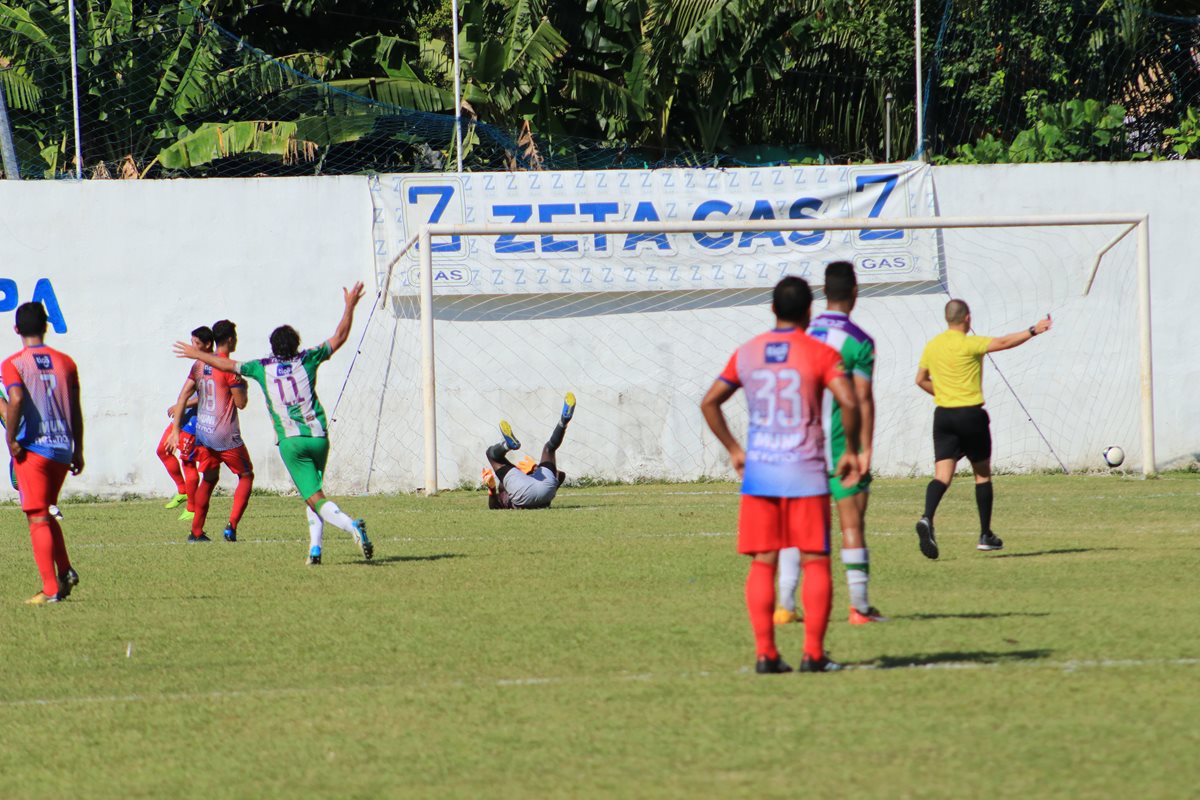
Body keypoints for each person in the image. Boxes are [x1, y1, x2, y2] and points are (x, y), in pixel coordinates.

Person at [701, 276, 861, 674]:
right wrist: (852, 449)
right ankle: (813, 654)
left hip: (761, 474)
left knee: (763, 562)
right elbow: (848, 399)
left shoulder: (748, 352)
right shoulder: (820, 352)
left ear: (772, 309)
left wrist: (736, 450)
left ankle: (766, 654)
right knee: (815, 561)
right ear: (810, 312)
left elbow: (709, 403)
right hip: (805, 472)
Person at [173, 283, 372, 565]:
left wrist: (198, 355)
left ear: (272, 347)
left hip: (291, 443)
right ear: (296, 344)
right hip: (318, 437)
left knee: (313, 496)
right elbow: (339, 337)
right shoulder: (309, 358)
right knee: (313, 491)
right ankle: (315, 551)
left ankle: (352, 526)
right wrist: (349, 306)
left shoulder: (260, 366)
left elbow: (228, 366)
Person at [777, 261, 885, 626]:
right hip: (842, 446)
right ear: (856, 292)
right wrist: (864, 448)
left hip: (801, 446)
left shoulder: (800, 336)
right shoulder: (859, 340)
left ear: (823, 293)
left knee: (796, 528)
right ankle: (860, 608)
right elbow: (862, 398)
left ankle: (786, 606)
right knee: (852, 525)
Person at [914, 299, 1053, 558]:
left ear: (947, 318)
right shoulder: (970, 343)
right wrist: (1033, 330)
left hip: (943, 415)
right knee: (982, 475)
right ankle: (985, 534)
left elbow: (920, 380)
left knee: (942, 476)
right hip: (970, 414)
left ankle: (927, 518)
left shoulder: (933, 345)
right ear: (967, 318)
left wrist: (943, 391)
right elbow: (1003, 343)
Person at [2, 302, 84, 604]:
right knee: (45, 511)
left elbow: (17, 397)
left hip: (33, 448)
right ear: (45, 327)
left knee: (36, 517)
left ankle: (50, 589)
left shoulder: (14, 363)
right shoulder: (66, 362)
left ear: (17, 330)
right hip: (62, 448)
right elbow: (75, 409)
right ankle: (65, 571)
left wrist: (11, 438)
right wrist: (79, 449)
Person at [168, 320, 254, 543]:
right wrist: (243, 386)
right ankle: (231, 526)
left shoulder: (198, 365)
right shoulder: (230, 368)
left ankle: (196, 532)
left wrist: (175, 429)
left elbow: (183, 396)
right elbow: (241, 403)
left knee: (208, 478)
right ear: (230, 339)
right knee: (245, 475)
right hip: (225, 435)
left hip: (203, 433)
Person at [155, 326, 213, 521]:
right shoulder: (198, 363)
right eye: (192, 341)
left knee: (187, 462)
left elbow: (207, 394)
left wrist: (183, 403)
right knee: (162, 450)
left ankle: (192, 508)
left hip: (194, 421)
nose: (192, 346)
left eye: (196, 343)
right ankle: (182, 491)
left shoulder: (211, 365)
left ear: (207, 344)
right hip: (184, 415)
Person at [483, 394, 575, 510]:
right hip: (544, 489)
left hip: (539, 494)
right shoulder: (511, 482)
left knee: (491, 455)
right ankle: (563, 422)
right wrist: (535, 469)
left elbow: (494, 507)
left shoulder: (505, 489)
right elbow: (561, 475)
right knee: (549, 448)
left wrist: (491, 489)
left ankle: (507, 445)